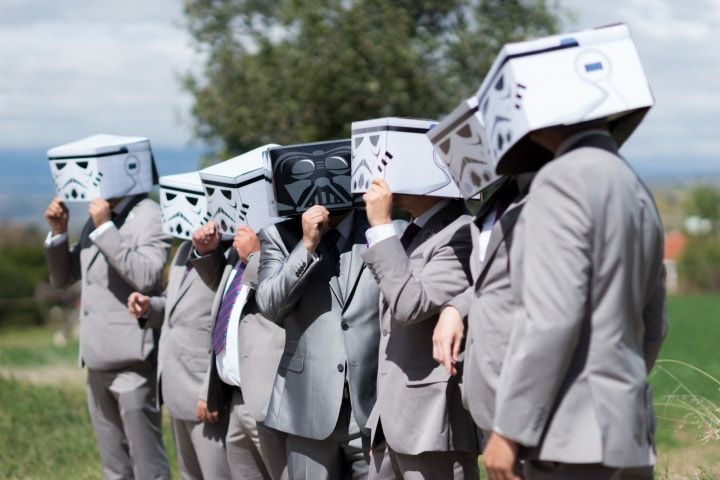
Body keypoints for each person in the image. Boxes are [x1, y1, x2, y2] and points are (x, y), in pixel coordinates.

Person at [463, 25, 667, 480]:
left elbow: (550, 318)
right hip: (629, 432)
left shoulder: (559, 181)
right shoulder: (633, 185)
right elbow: (653, 324)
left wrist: (510, 430)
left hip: (567, 438)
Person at [44, 193, 171, 480]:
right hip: (95, 358)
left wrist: (105, 229)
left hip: (133, 359)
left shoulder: (149, 213)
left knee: (147, 465)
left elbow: (148, 276)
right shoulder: (98, 215)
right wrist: (59, 232)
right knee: (113, 467)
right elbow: (64, 277)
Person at [255, 204, 385, 479]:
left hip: (373, 407)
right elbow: (269, 305)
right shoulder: (278, 235)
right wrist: (306, 246)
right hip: (308, 408)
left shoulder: (383, 226)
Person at [362, 178, 479, 480]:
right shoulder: (412, 231)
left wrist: (381, 226)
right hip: (390, 425)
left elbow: (410, 305)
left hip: (431, 427)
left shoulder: (462, 230)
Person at [127, 215, 232, 479]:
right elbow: (175, 305)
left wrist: (211, 390)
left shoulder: (226, 254)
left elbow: (224, 325)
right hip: (175, 387)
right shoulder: (184, 249)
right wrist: (151, 306)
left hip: (203, 392)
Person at [191, 221, 287, 480]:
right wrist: (206, 252)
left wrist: (256, 256)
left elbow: (279, 298)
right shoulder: (238, 244)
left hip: (267, 400)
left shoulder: (281, 239)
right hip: (236, 398)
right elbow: (225, 292)